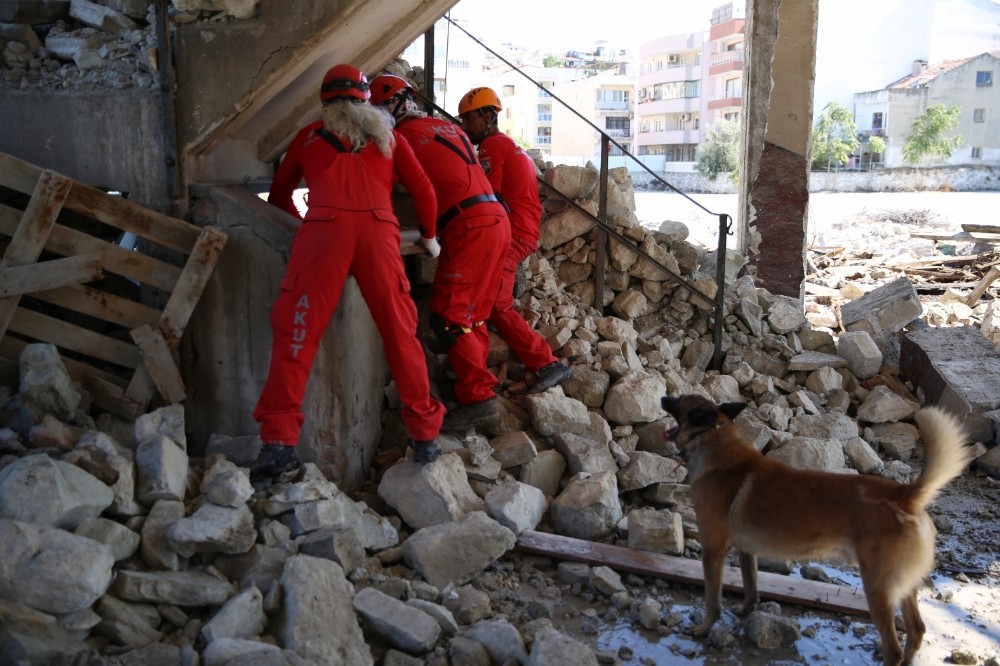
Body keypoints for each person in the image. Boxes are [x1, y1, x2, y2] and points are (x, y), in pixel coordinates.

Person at [251, 64, 446, 478]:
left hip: (323, 234)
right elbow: (425, 190)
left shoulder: (308, 135)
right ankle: (425, 438)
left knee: (296, 333)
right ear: (366, 98)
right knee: (400, 333)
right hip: (379, 234)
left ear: (325, 100)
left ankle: (277, 445)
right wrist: (429, 237)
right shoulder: (388, 137)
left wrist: (309, 233)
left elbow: (280, 195)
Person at [369, 74, 510, 431]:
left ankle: (479, 399)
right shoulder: (448, 128)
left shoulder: (400, 138)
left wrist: (428, 236)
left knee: (448, 317)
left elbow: (410, 190)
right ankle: (472, 387)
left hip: (469, 225)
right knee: (473, 314)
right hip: (495, 219)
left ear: (389, 108)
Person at [457, 87, 571, 398]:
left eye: (468, 119)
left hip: (512, 234)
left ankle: (546, 362)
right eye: (462, 120)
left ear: (487, 116)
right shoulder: (510, 146)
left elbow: (486, 196)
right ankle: (525, 366)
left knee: (497, 305)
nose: (465, 126)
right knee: (494, 302)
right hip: (521, 230)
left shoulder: (492, 146)